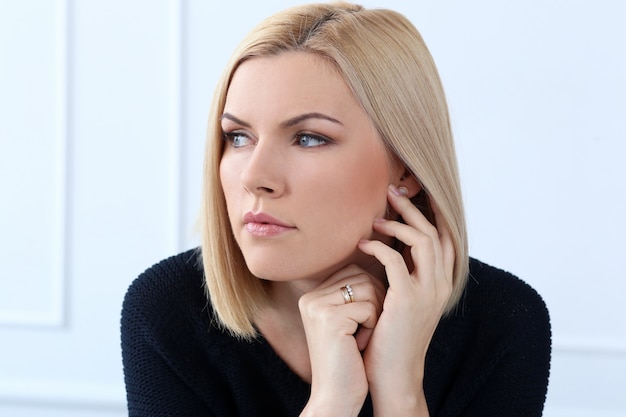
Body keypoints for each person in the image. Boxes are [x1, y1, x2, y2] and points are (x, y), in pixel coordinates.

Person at [121, 2, 551, 416]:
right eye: (238, 137)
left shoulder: (504, 321)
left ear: (406, 167)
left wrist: (400, 390)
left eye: (308, 137)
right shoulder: (169, 309)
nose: (254, 176)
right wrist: (332, 403)